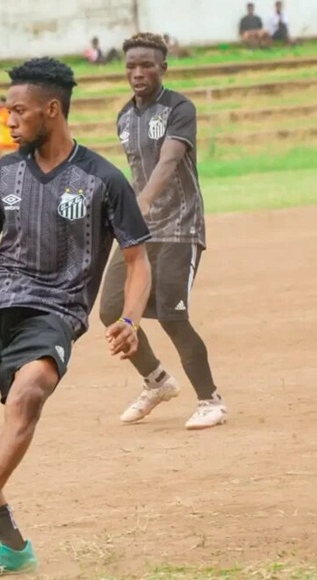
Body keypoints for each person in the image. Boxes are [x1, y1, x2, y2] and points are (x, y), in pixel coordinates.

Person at [0, 57, 153, 579]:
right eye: (7, 110)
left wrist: (131, 320)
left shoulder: (102, 179)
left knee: (27, 396)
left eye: (18, 111)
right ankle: (11, 547)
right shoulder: (3, 173)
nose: (9, 120)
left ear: (52, 110)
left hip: (55, 310)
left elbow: (138, 259)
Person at [102, 32, 228, 431]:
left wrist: (143, 201)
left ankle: (211, 401)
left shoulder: (179, 108)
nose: (138, 73)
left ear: (163, 68)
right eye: (131, 66)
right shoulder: (124, 117)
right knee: (111, 309)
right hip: (141, 230)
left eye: (147, 65)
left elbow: (170, 160)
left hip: (179, 226)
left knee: (173, 314)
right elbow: (137, 170)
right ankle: (156, 381)